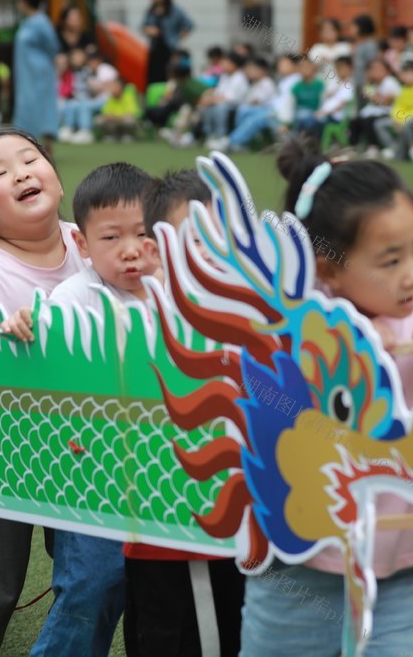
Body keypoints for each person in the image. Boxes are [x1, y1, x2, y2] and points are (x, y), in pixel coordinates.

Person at [240, 138, 413, 656]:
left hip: (394, 569)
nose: (412, 273)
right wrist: (353, 352)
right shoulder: (293, 327)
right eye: (389, 260)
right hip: (297, 569)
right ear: (329, 268)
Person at [0, 127, 86, 654]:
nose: (22, 172)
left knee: (85, 577)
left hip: (78, 447)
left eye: (30, 160)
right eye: (1, 173)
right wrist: (1, 334)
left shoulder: (89, 243)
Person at [32, 163, 156, 657]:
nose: (130, 250)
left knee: (157, 589)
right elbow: (53, 369)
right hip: (90, 473)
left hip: (161, 468)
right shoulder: (74, 297)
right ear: (83, 245)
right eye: (111, 237)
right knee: (92, 584)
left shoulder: (176, 293)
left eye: (144, 234)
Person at [123, 169, 246, 657]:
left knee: (238, 631)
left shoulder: (260, 320)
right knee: (163, 635)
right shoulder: (134, 319)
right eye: (199, 242)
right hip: (159, 528)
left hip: (242, 528)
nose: (217, 256)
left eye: (228, 240)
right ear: (156, 249)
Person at [218, 53, 301, 152]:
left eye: (284, 64)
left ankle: (232, 141)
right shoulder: (285, 80)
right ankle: (242, 142)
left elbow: (287, 104)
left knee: (254, 119)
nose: (280, 67)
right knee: (244, 110)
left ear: (295, 66)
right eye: (280, 64)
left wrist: (285, 121)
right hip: (273, 109)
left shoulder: (296, 80)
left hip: (279, 114)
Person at [12, 0, 61, 147]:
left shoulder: (41, 21)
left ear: (26, 2)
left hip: (40, 72)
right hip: (26, 72)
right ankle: (27, 141)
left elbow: (52, 46)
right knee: (26, 103)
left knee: (43, 103)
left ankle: (48, 142)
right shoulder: (26, 22)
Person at [207, 55, 274, 150]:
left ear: (263, 71)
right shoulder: (255, 83)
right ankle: (239, 143)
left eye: (253, 69)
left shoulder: (267, 83)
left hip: (265, 111)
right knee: (242, 110)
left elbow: (257, 101)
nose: (249, 71)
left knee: (246, 114)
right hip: (256, 110)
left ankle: (230, 141)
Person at [379, 61, 413, 160]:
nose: (407, 76)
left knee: (407, 124)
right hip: (400, 120)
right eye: (406, 74)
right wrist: (397, 120)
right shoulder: (403, 90)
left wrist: (401, 120)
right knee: (380, 124)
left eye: (410, 74)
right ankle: (394, 148)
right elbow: (396, 108)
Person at [142, 0, 194, 85]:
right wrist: (150, 30)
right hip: (155, 49)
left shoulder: (175, 10)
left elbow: (189, 25)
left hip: (169, 49)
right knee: (154, 78)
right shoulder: (151, 11)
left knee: (169, 76)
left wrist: (178, 37)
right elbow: (143, 27)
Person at [350, 59, 400, 157]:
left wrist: (371, 95)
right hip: (374, 111)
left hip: (389, 112)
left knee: (368, 121)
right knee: (355, 120)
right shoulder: (374, 83)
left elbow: (385, 101)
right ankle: (354, 146)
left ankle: (373, 147)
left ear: (386, 70)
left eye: (378, 69)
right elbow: (366, 93)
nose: (375, 72)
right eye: (373, 69)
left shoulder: (390, 82)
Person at [198, 51, 248, 147]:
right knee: (208, 108)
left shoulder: (239, 77)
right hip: (222, 102)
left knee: (219, 108)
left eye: (226, 63)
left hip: (235, 105)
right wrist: (209, 98)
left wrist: (212, 100)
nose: (223, 65)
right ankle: (210, 135)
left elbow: (231, 98)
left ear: (234, 65)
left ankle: (221, 136)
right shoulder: (224, 76)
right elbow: (219, 92)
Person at [289, 56, 327, 137]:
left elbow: (323, 102)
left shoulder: (319, 85)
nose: (305, 69)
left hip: (315, 115)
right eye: (302, 67)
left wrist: (319, 113)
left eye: (307, 66)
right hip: (299, 114)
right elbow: (290, 105)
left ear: (312, 68)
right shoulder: (296, 86)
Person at [348, 14, 380, 111]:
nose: (351, 29)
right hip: (357, 81)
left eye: (354, 27)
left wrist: (367, 83)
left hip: (366, 83)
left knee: (365, 108)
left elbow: (372, 65)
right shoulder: (358, 44)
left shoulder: (370, 44)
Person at [95, 77, 141, 143]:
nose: (112, 88)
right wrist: (110, 116)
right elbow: (105, 113)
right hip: (114, 121)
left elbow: (131, 113)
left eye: (114, 86)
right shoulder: (110, 98)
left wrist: (116, 117)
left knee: (129, 120)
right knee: (99, 119)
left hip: (122, 120)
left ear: (121, 87)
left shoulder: (128, 96)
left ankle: (128, 135)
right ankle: (111, 135)